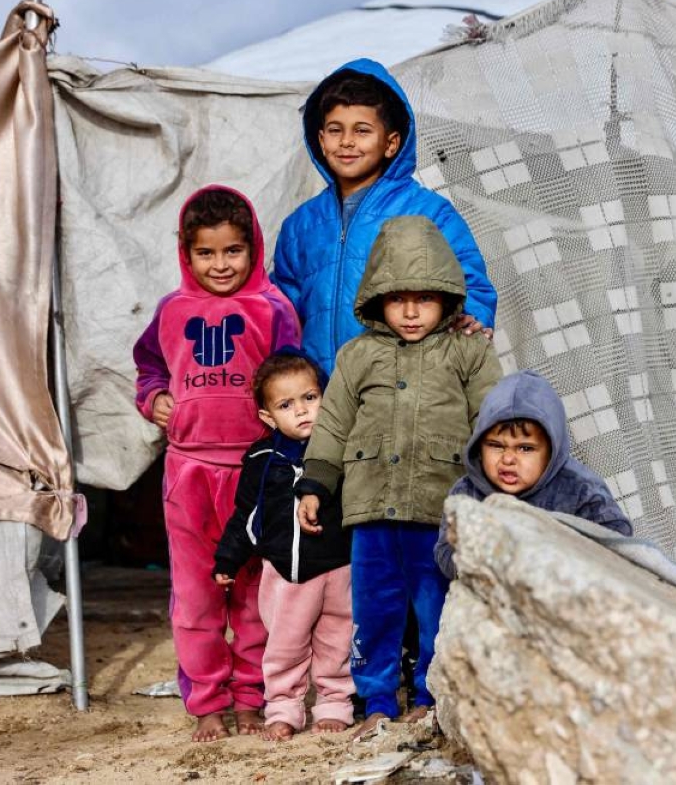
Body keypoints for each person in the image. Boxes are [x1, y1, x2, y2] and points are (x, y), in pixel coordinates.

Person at [294, 215, 503, 739]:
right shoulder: (357, 355)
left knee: (437, 609)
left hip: (438, 510)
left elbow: (490, 420)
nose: (411, 312)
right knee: (375, 609)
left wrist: (493, 489)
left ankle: (432, 697)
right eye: (397, 298)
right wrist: (316, 483)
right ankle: (377, 699)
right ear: (376, 298)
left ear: (447, 298)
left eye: (425, 298)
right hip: (371, 511)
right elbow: (334, 423)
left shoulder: (469, 351)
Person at [133, 185, 300, 742]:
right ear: (186, 253)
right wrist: (154, 397)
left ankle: (251, 697)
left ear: (253, 249)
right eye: (206, 253)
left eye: (233, 250)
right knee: (196, 595)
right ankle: (206, 702)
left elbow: (292, 379)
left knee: (254, 594)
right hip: (188, 473)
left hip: (256, 473)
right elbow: (149, 367)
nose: (220, 264)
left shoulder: (272, 309)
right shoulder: (171, 310)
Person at [272, 58, 497, 377]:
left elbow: (469, 282)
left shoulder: (427, 212)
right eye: (335, 130)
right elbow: (281, 312)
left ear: (391, 143)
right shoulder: (300, 227)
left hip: (405, 387)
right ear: (321, 140)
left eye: (362, 130)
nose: (346, 141)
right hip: (323, 392)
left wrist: (472, 318)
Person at [212, 350, 354, 741]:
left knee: (337, 640)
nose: (302, 410)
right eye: (286, 405)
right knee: (285, 645)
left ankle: (335, 703)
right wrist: (228, 558)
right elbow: (246, 515)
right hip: (287, 574)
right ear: (268, 417)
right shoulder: (262, 459)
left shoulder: (343, 451)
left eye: (310, 397)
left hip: (341, 565)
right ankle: (283, 707)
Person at [434, 371, 634, 579]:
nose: (508, 459)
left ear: (552, 451)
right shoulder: (467, 493)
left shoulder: (580, 489)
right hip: (492, 589)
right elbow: (445, 551)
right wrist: (476, 562)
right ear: (479, 446)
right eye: (496, 445)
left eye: (525, 448)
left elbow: (617, 538)